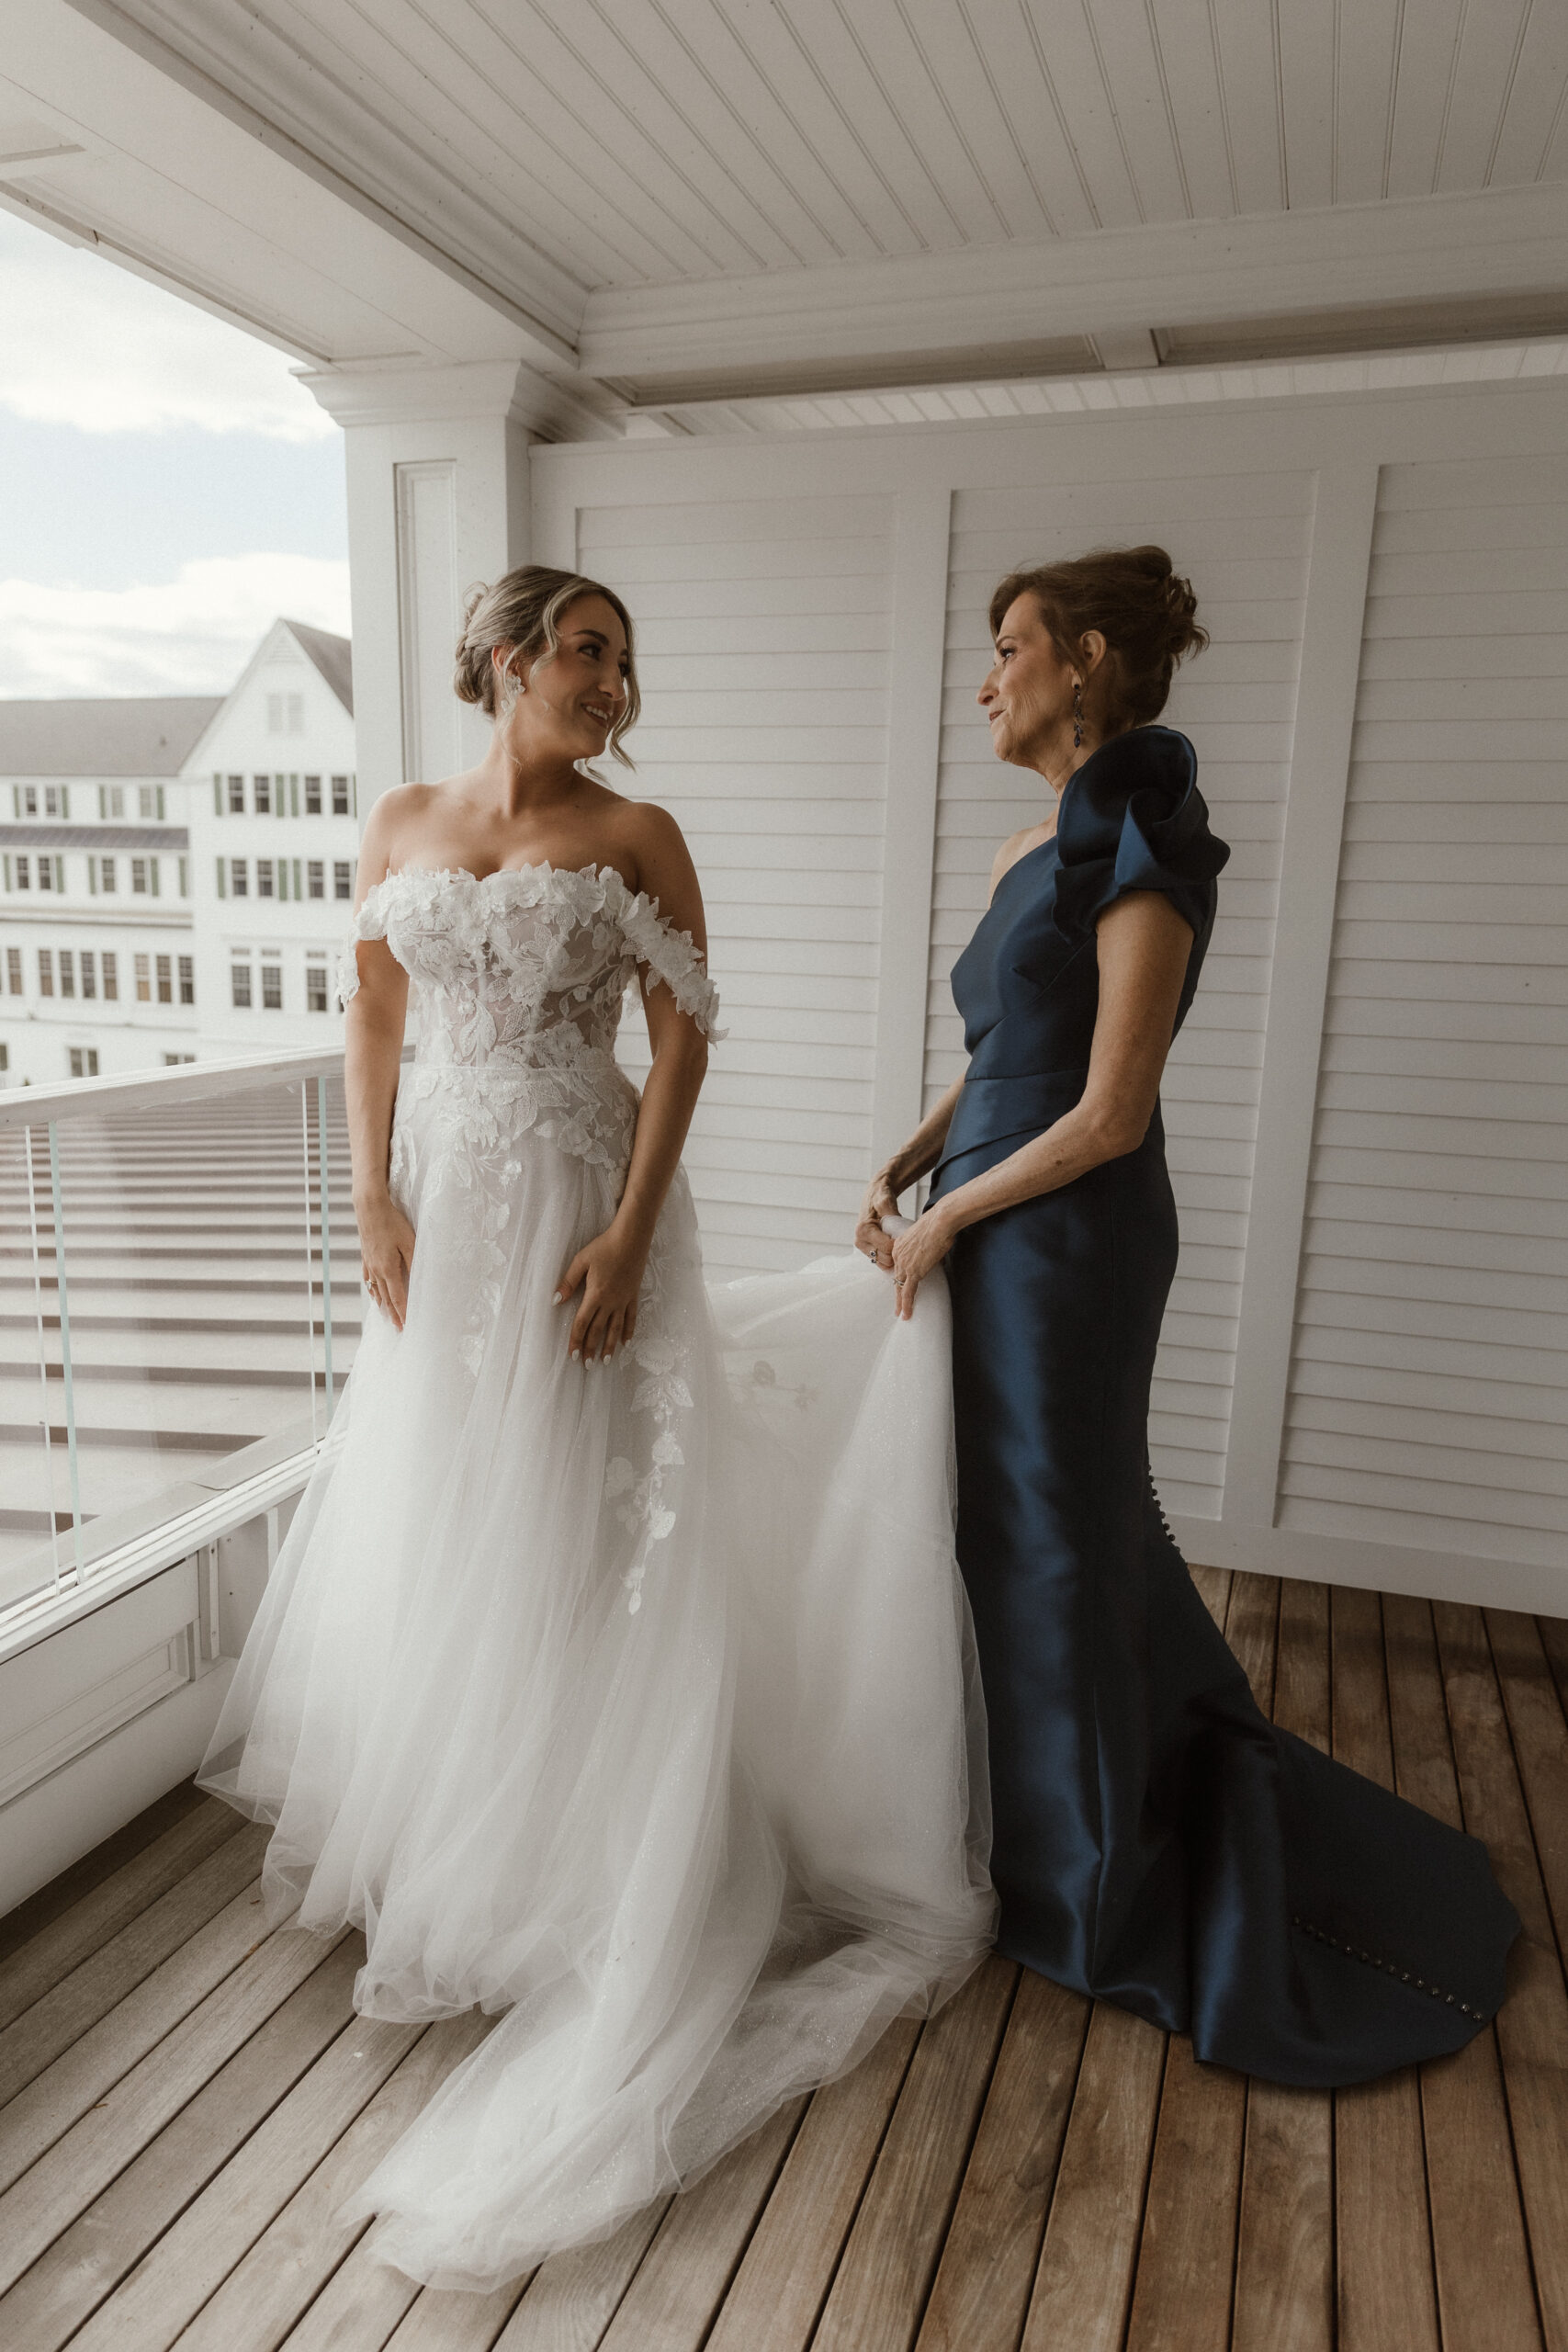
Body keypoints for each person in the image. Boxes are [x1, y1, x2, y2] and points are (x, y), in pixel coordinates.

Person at [198, 566, 992, 2292]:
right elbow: (372, 1018)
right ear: (501, 660)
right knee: (450, 1513)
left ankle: (578, 1873)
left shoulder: (637, 835)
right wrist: (369, 1202)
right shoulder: (402, 817)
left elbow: (684, 1033)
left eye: (626, 660)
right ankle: (453, 1855)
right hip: (440, 1213)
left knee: (574, 1520)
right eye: (586, 651)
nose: (614, 683)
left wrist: (633, 1231)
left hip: (577, 1196)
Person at [858, 545, 1517, 2086]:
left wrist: (952, 1208)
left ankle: (1104, 1883)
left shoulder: (1143, 831)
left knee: (1060, 1538)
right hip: (986, 1212)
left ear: (1084, 657)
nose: (985, 680)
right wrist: (911, 1150)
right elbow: (1015, 1043)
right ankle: (1038, 1836)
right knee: (999, 1536)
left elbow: (1109, 1108)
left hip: (1065, 1236)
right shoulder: (1039, 842)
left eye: (1007, 647)